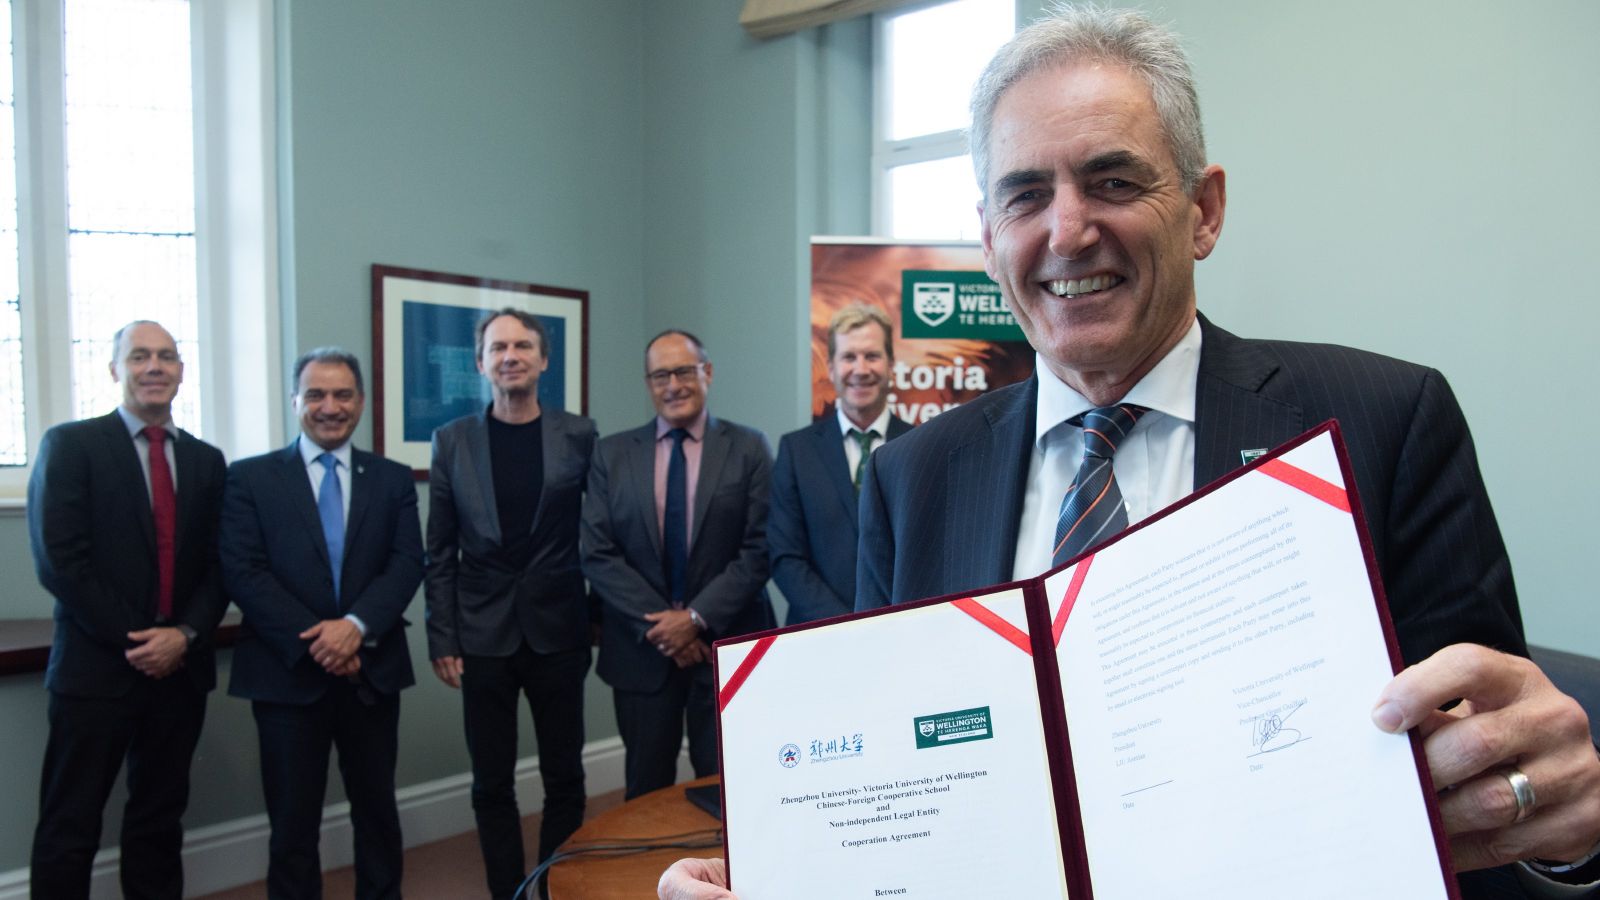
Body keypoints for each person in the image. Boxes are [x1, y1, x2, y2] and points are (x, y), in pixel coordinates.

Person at [661, 6, 1600, 898]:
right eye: (1026, 194)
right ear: (989, 238)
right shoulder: (913, 479)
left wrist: (1566, 837)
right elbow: (894, 782)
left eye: (1113, 181)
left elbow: (1497, 795)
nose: (1068, 231)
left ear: (1204, 209)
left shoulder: (1385, 425)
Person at [26, 320, 227, 900]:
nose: (154, 367)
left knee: (159, 820)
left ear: (181, 372)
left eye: (166, 356)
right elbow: (60, 562)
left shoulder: (207, 461)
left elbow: (222, 565)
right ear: (115, 369)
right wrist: (142, 639)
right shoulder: (72, 446)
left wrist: (184, 635)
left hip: (180, 672)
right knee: (70, 824)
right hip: (96, 670)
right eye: (139, 356)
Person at [221, 348, 423, 900]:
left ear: (361, 402)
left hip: (371, 671)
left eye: (342, 394)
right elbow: (243, 570)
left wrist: (356, 625)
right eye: (315, 394)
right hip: (286, 675)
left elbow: (407, 562)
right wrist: (324, 639)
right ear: (295, 401)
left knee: (377, 814)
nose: (329, 406)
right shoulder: (250, 478)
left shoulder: (392, 479)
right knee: (292, 824)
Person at [425, 308, 597, 898]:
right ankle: (507, 891)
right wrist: (442, 635)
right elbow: (439, 549)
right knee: (490, 783)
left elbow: (600, 533)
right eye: (498, 347)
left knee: (565, 777)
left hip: (560, 629)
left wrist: (597, 618)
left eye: (522, 346)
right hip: (481, 635)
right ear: (480, 363)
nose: (510, 356)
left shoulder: (579, 434)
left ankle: (552, 887)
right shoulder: (452, 441)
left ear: (543, 360)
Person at [581, 330, 775, 799]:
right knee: (645, 792)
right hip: (642, 651)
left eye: (684, 371)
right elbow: (598, 552)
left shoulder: (749, 447)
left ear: (707, 372)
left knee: (730, 791)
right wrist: (668, 627)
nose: (673, 385)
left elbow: (761, 547)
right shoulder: (611, 454)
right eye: (660, 375)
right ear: (648, 383)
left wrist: (695, 619)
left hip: (725, 644)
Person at [768, 304, 910, 625]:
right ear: (831, 368)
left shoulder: (921, 445)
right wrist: (842, 626)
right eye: (849, 357)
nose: (860, 369)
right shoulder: (797, 451)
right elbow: (785, 556)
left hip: (899, 631)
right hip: (816, 634)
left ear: (891, 365)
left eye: (872, 356)